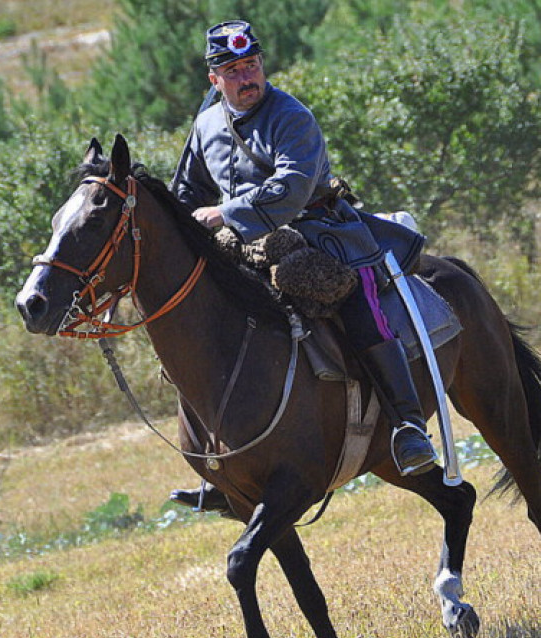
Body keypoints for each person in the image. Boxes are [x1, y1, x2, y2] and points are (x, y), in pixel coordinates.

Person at [170, 20, 437, 508]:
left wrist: (225, 213)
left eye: (252, 64)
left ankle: (407, 426)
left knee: (354, 300)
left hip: (319, 231)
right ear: (214, 79)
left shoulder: (292, 116)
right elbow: (186, 192)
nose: (247, 76)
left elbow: (292, 187)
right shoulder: (206, 125)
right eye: (234, 70)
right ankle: (225, 464)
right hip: (242, 243)